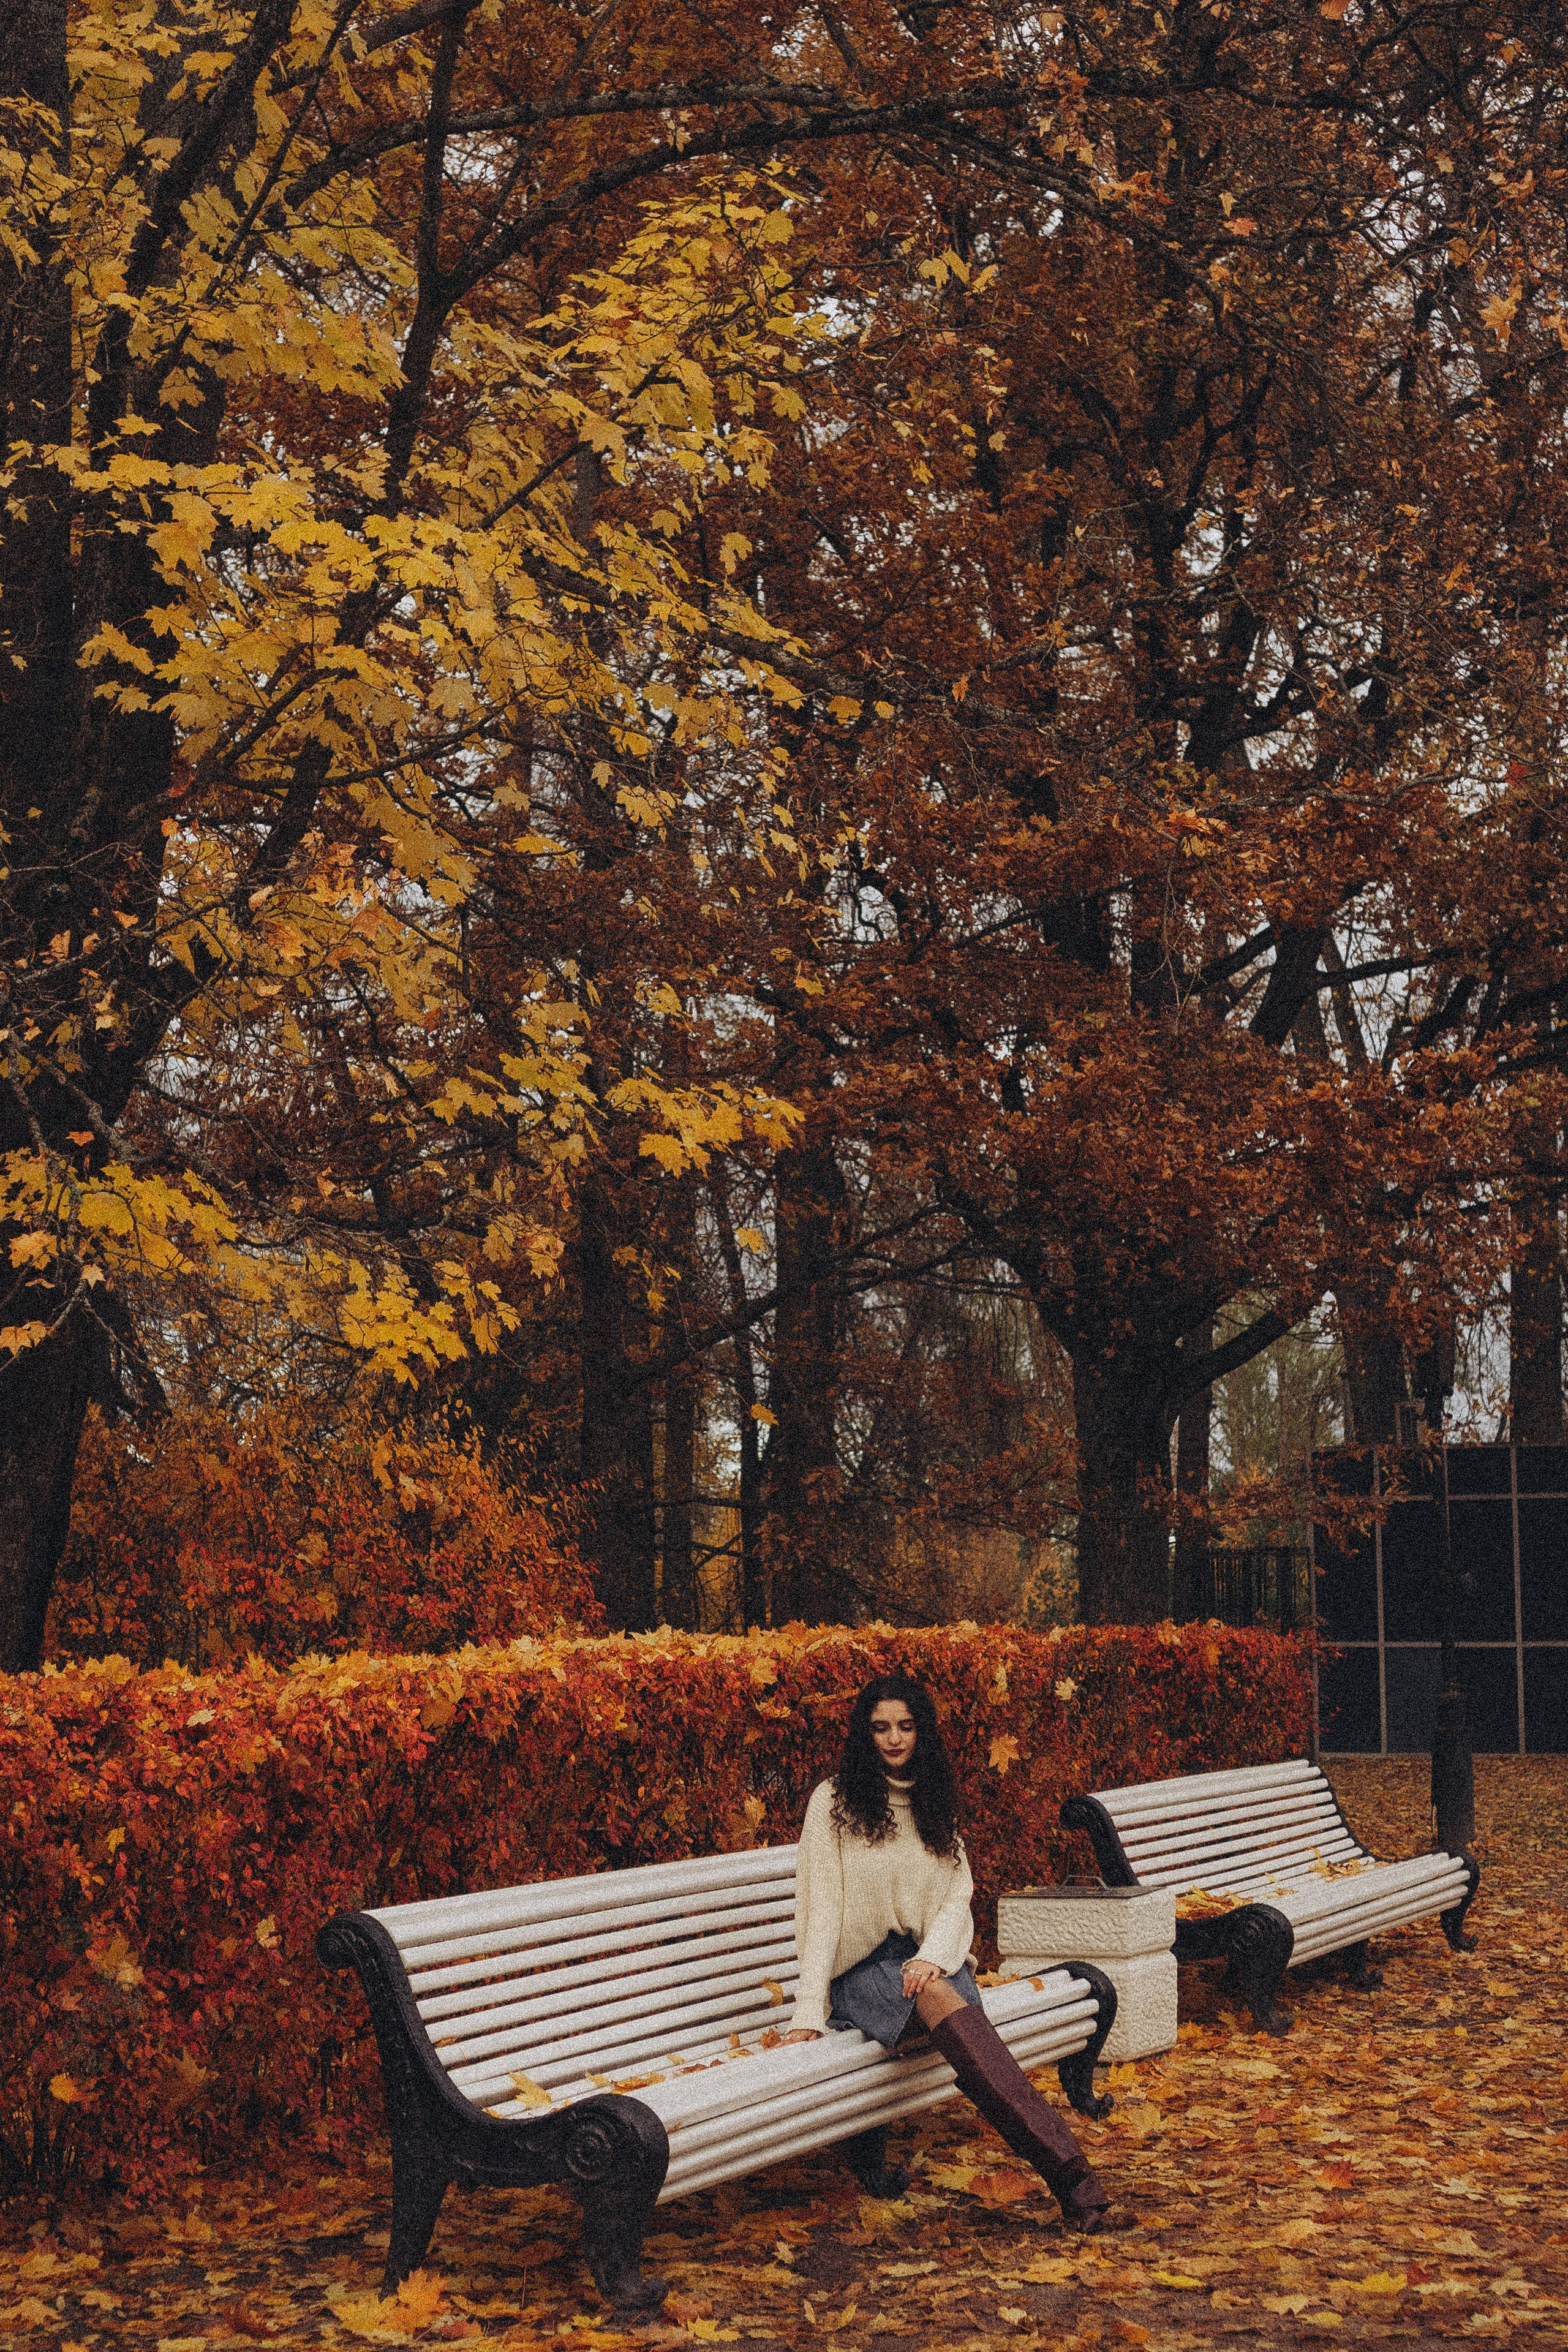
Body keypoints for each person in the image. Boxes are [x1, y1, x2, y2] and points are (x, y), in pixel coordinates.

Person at [783, 1673, 1110, 2232]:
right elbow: (822, 1909)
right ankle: (1072, 2176)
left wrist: (933, 1954)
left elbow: (958, 1893)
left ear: (923, 1733)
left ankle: (1071, 2175)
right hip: (861, 1972)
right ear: (864, 1734)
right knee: (938, 1998)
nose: (894, 1739)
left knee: (937, 1993)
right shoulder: (833, 1802)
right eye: (881, 1728)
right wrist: (809, 2011)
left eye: (906, 1727)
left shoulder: (934, 1799)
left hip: (927, 1960)